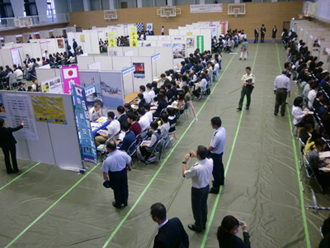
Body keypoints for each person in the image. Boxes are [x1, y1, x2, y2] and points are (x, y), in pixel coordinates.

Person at [182, 145, 213, 232]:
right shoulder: (210, 161)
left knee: (196, 208)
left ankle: (198, 226)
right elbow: (204, 160)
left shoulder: (196, 168)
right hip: (206, 187)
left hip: (197, 190)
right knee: (203, 205)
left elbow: (185, 174)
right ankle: (203, 223)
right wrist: (196, 155)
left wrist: (184, 162)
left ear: (199, 156)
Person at [101, 140, 132, 209]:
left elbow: (105, 170)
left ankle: (118, 203)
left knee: (117, 189)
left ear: (108, 149)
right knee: (124, 187)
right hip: (123, 172)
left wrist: (105, 177)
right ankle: (125, 201)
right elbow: (129, 160)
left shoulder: (107, 160)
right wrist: (129, 167)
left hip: (114, 175)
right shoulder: (123, 153)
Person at [207, 117, 226, 194]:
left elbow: (212, 147)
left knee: (215, 171)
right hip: (220, 152)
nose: (211, 125)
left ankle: (216, 187)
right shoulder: (223, 130)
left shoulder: (217, 135)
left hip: (215, 154)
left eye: (211, 124)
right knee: (220, 167)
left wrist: (206, 149)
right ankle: (221, 180)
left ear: (215, 125)